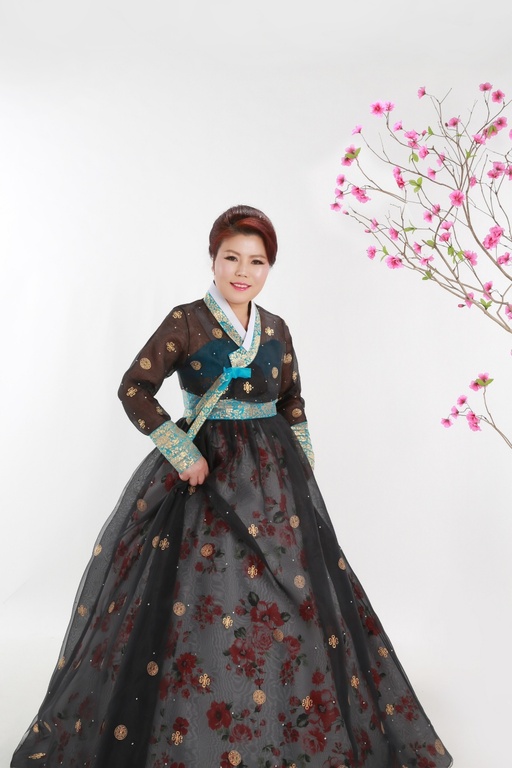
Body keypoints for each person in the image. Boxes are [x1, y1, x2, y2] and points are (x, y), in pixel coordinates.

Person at [11, 205, 453, 768]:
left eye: (257, 262)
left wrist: (302, 463)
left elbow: (291, 398)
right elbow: (134, 388)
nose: (243, 272)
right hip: (206, 473)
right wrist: (180, 448)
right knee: (201, 593)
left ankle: (282, 719)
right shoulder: (187, 321)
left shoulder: (277, 329)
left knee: (290, 595)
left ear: (270, 267)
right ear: (213, 260)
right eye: (231, 258)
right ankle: (197, 716)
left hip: (274, 480)